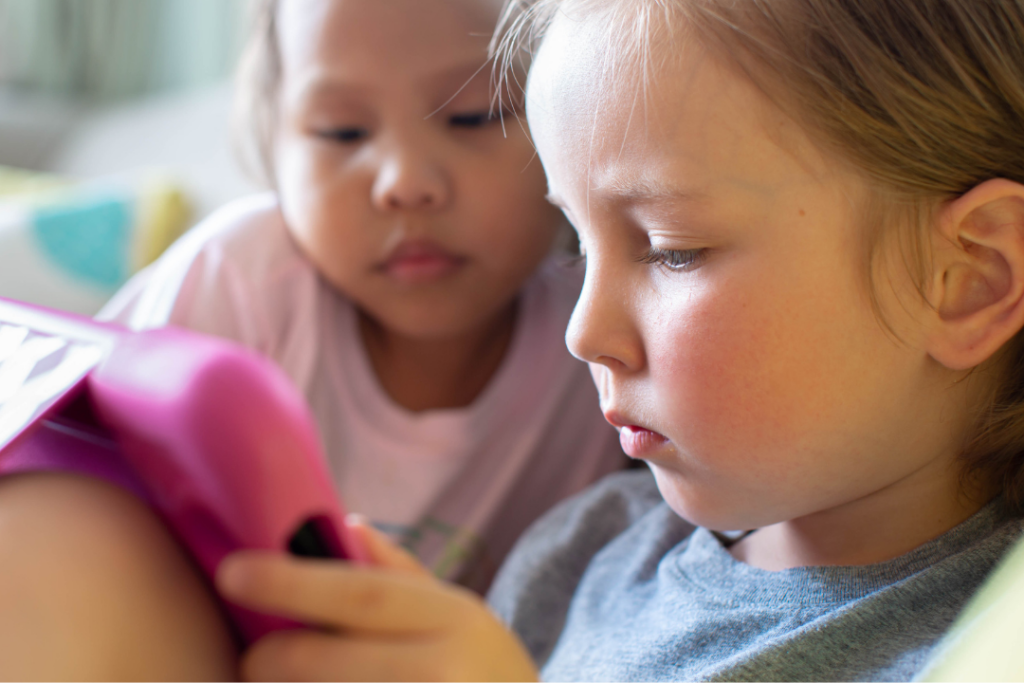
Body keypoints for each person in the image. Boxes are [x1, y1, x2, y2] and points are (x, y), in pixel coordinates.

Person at [4, 0, 1024, 680]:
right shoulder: (577, 553)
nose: (583, 328)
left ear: (972, 277)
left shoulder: (973, 629)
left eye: (671, 249)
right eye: (578, 247)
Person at [94, 0, 624, 592]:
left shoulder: (608, 332)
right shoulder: (239, 281)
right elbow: (68, 485)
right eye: (342, 131)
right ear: (275, 146)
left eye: (472, 116)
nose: (405, 182)